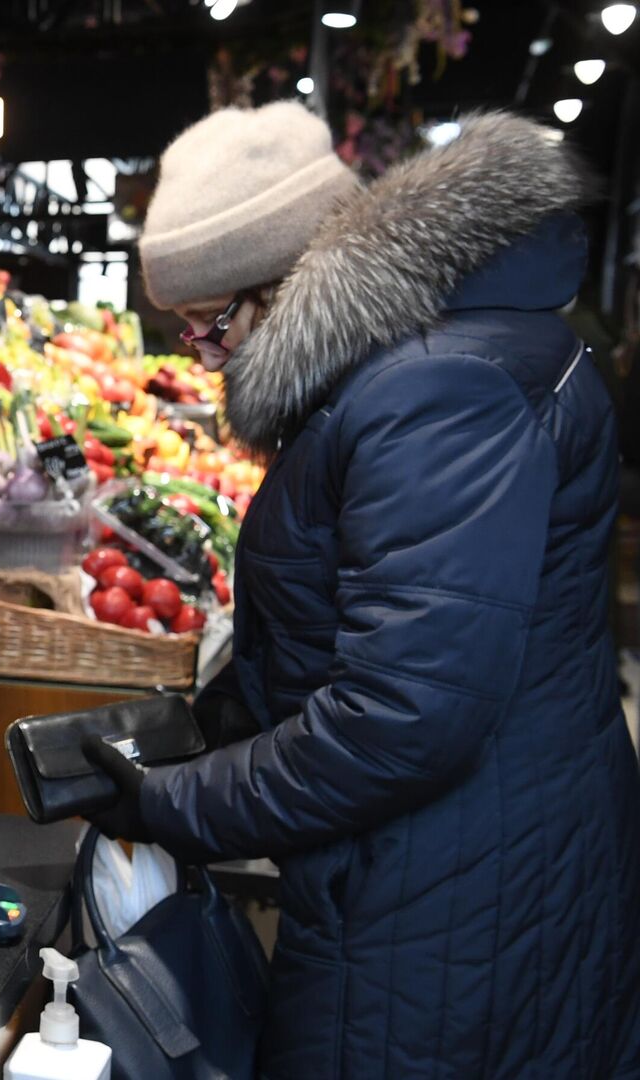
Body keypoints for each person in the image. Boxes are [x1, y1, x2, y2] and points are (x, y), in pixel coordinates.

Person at [89, 103, 640, 1077]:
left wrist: (180, 803)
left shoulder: (431, 392)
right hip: (462, 868)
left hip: (449, 907)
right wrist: (209, 728)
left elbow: (405, 713)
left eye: (211, 324)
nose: (202, 357)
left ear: (289, 279)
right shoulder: (402, 365)